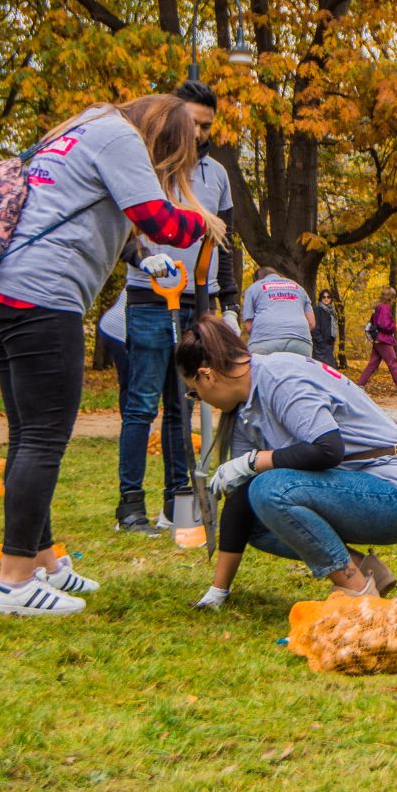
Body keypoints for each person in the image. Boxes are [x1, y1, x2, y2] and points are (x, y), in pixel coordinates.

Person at [0, 94, 223, 615]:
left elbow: (103, 219)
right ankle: (13, 584)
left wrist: (145, 258)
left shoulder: (84, 126)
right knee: (44, 439)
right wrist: (204, 225)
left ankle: (42, 559)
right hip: (43, 296)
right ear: (165, 133)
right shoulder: (119, 138)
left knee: (27, 436)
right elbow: (160, 220)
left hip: (3, 289)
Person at [176, 316, 397, 607]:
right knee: (257, 518)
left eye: (194, 393)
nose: (200, 400)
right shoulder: (244, 407)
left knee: (269, 489)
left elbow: (328, 449)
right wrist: (217, 591)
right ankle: (362, 568)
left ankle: (359, 595)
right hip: (359, 489)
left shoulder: (280, 378)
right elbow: (242, 499)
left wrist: (254, 461)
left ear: (207, 375)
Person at [115, 79, 240, 533]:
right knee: (142, 402)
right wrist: (145, 261)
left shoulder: (218, 176)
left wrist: (228, 304)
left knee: (180, 405)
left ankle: (176, 502)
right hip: (150, 298)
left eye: (207, 126)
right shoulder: (144, 166)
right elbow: (123, 231)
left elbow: (224, 245)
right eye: (193, 123)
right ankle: (130, 505)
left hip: (196, 300)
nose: (200, 133)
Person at [242, 267, 316, 356]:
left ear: (258, 279)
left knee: (259, 368)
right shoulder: (299, 288)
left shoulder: (253, 288)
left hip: (264, 342)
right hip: (301, 343)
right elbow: (311, 323)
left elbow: (249, 327)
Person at [356, 286, 397, 396]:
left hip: (378, 339)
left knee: (372, 364)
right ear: (391, 297)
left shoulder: (379, 306)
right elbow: (384, 324)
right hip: (383, 339)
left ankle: (359, 386)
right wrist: (394, 326)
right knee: (393, 363)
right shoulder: (384, 307)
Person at [97, 289, 129, 417]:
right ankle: (132, 427)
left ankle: (131, 425)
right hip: (120, 330)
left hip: (111, 326)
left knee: (129, 381)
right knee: (132, 381)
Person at [311, 288, 338, 365]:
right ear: (321, 298)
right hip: (320, 346)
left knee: (328, 369)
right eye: (324, 297)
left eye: (328, 297)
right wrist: (321, 342)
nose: (326, 299)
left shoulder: (332, 312)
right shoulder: (317, 310)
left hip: (329, 344)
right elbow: (314, 328)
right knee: (326, 368)